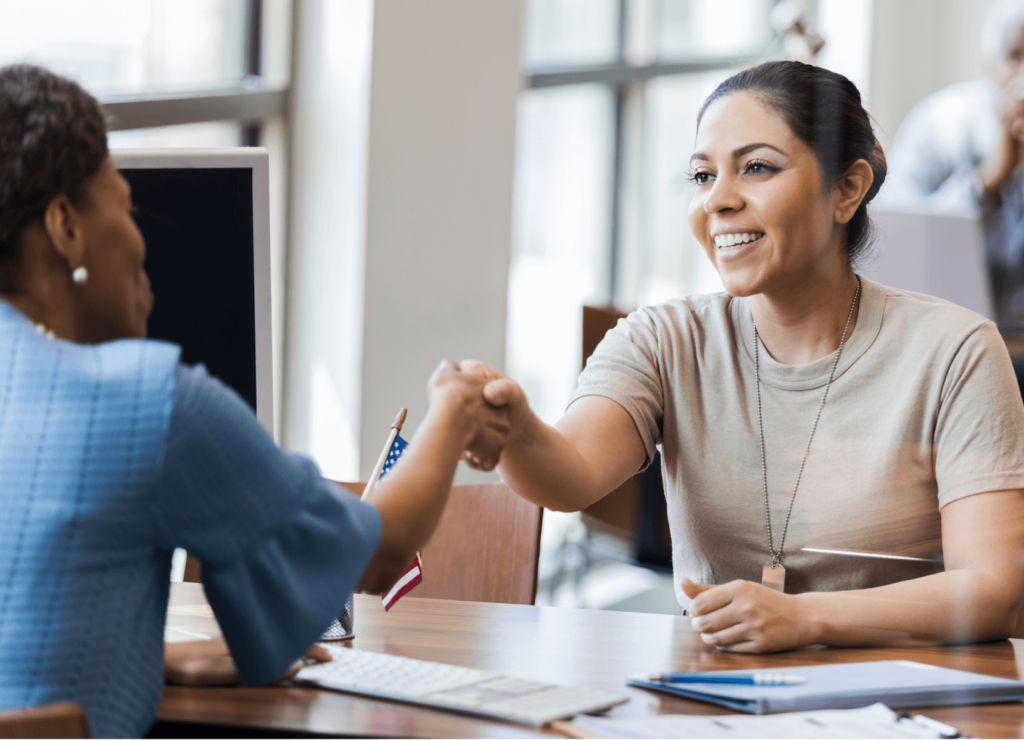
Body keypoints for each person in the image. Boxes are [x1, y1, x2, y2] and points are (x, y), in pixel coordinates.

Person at [0, 64, 507, 739]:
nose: (140, 241)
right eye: (125, 206)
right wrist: (453, 408)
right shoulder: (149, 401)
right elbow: (379, 555)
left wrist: (141, 656)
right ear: (66, 227)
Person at [461, 61, 1024, 654]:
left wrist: (804, 618)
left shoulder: (957, 351)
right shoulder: (662, 338)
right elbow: (570, 475)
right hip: (717, 698)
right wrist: (517, 432)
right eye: (702, 176)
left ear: (847, 189)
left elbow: (993, 590)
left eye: (756, 167)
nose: (719, 201)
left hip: (908, 705)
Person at [877, 0, 1024, 328]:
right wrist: (986, 183)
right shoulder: (940, 123)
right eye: (1014, 57)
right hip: (944, 336)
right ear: (989, 65)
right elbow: (897, 243)